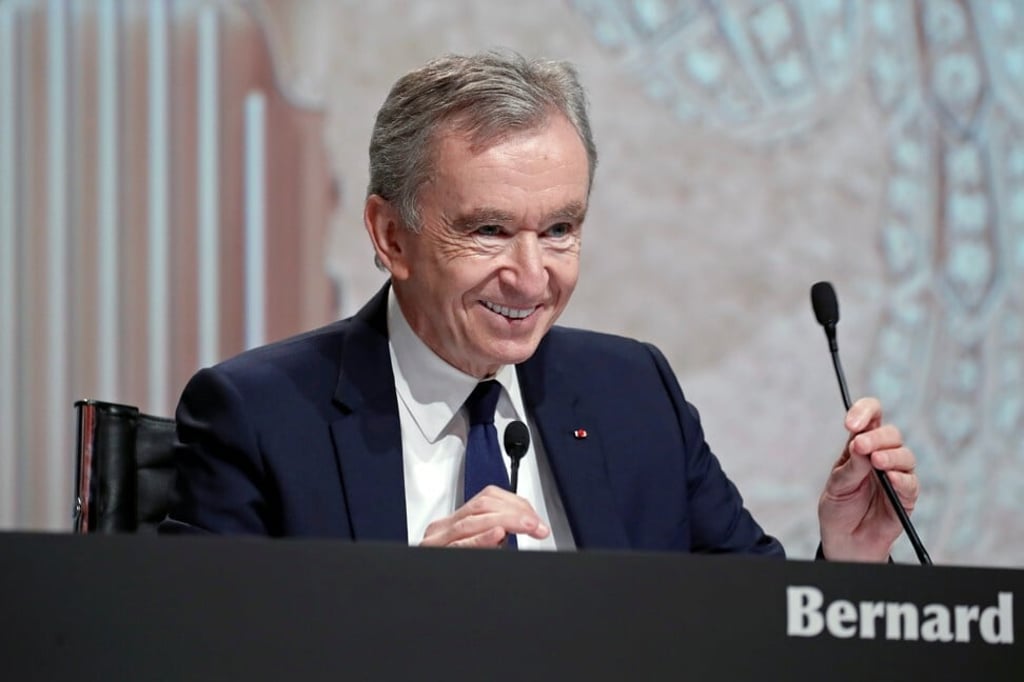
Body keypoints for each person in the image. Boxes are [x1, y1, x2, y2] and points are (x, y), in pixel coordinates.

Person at [161, 50, 918, 562]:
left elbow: (745, 632)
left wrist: (846, 559)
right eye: (489, 231)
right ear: (391, 235)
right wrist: (398, 616)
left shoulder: (633, 393)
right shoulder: (257, 417)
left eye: (560, 229)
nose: (531, 278)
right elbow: (206, 658)